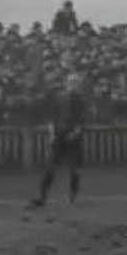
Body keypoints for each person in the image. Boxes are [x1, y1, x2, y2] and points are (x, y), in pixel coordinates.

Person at [29, 73, 87, 208]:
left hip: (73, 136)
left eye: (76, 82)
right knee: (50, 167)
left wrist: (75, 133)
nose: (74, 85)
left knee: (74, 169)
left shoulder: (80, 100)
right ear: (67, 83)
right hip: (59, 135)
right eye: (71, 82)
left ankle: (73, 197)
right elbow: (52, 118)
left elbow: (81, 120)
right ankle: (41, 196)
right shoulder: (58, 98)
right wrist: (52, 134)